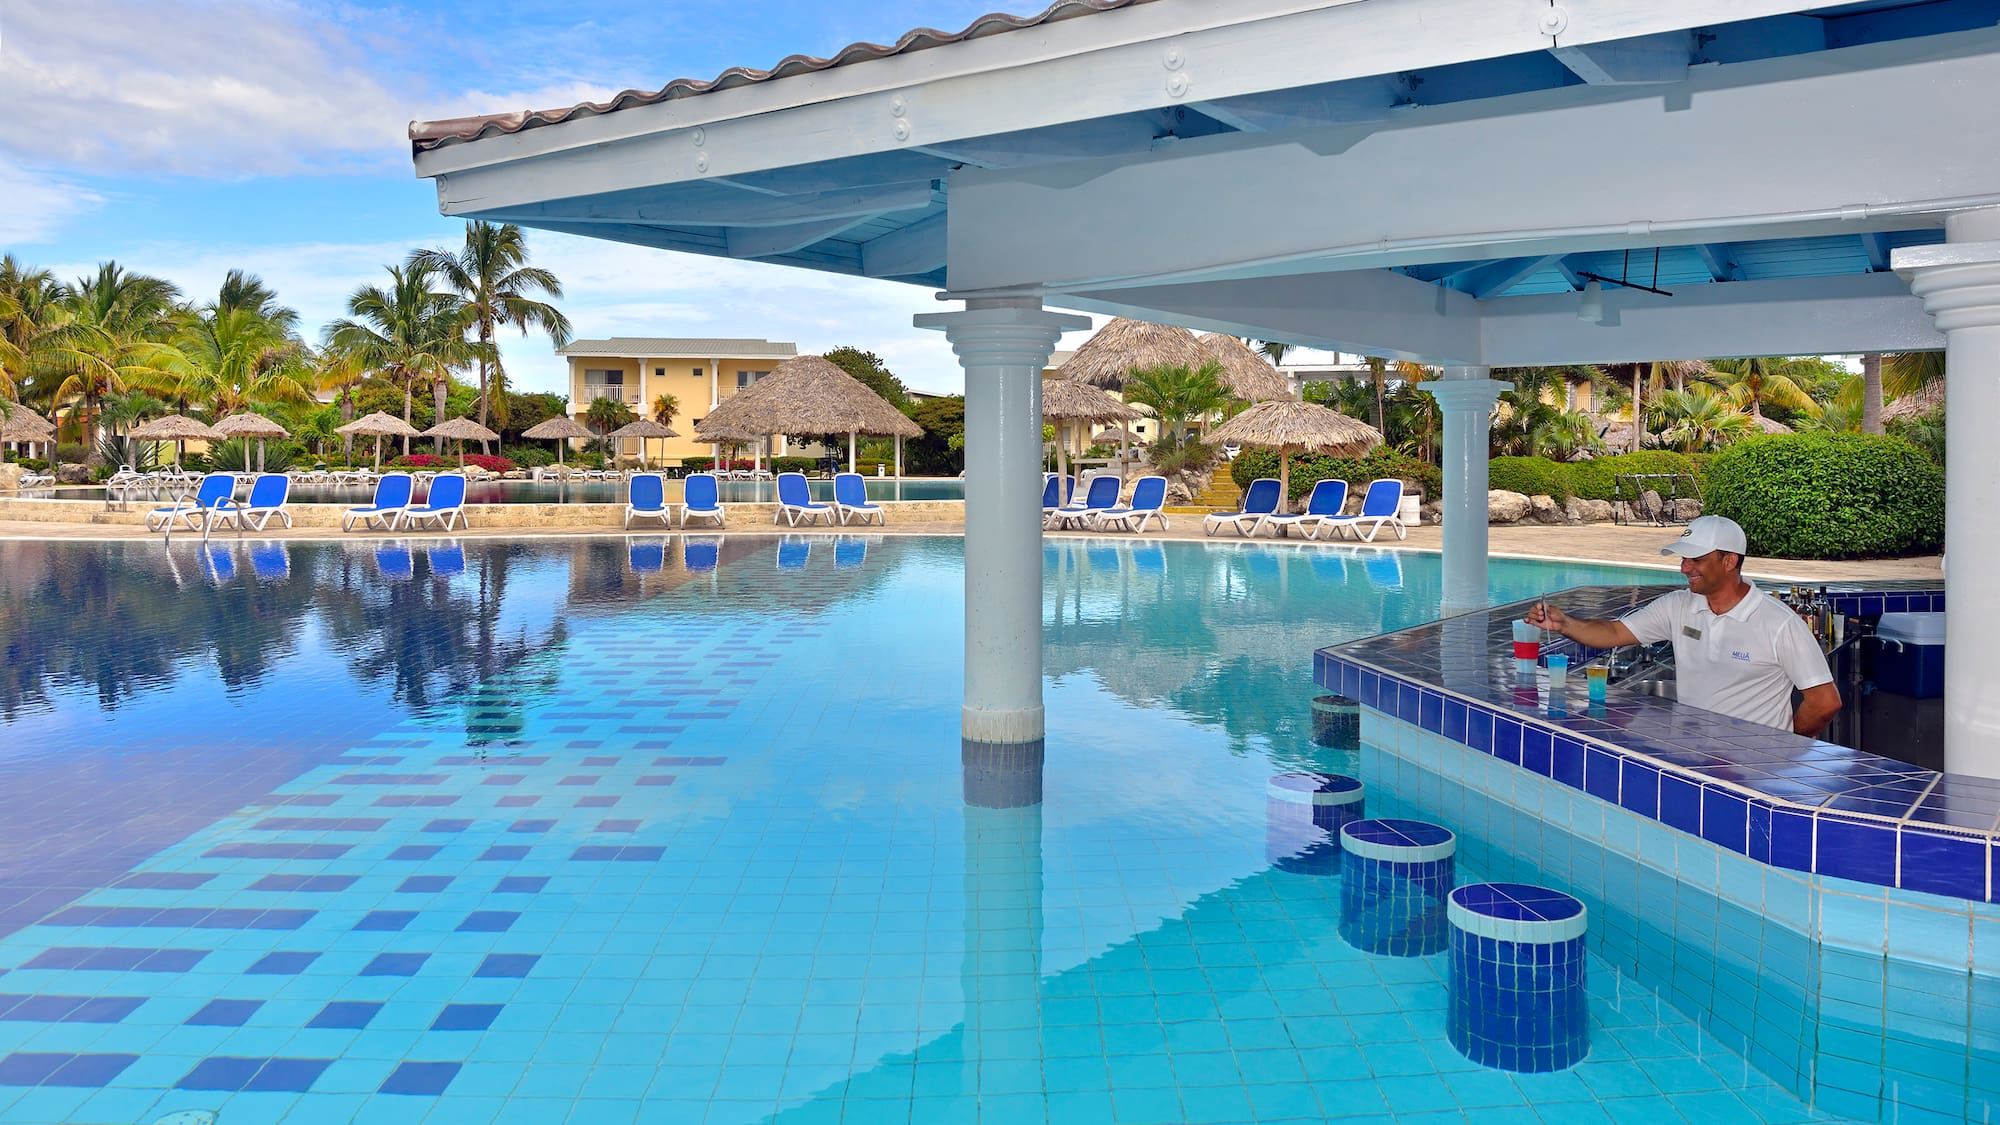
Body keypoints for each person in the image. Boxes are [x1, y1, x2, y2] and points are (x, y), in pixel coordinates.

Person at [1526, 516, 1840, 736]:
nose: (1684, 567)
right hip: (1692, 759)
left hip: (1754, 771)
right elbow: (1614, 632)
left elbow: (1825, 702)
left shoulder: (1779, 623)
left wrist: (1784, 744)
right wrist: (1564, 623)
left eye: (1696, 559)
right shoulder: (1678, 606)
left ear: (1729, 561)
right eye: (1683, 559)